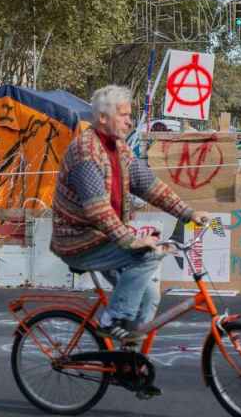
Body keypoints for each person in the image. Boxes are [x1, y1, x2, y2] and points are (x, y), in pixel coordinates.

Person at [51, 85, 210, 345]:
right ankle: (111, 319)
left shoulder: (119, 148)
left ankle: (129, 364)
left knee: (149, 297)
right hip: (80, 241)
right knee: (148, 255)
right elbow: (98, 209)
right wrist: (131, 241)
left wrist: (187, 212)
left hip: (105, 239)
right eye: (124, 115)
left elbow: (150, 186)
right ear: (103, 118)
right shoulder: (86, 151)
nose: (130, 121)